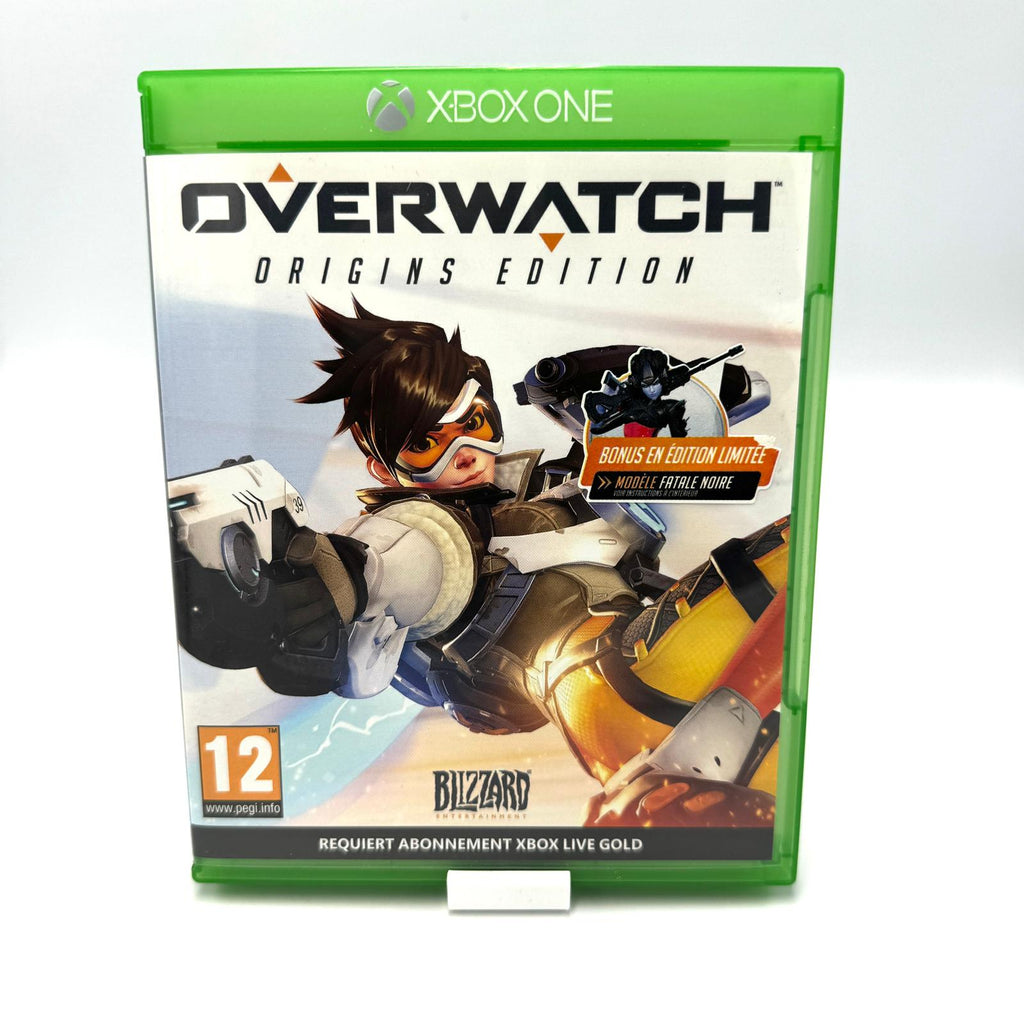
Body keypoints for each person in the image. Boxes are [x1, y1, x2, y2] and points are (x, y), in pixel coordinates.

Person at [176, 296, 790, 826]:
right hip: (624, 677)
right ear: (384, 468)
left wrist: (649, 401)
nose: (465, 452)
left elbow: (732, 406)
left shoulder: (552, 483)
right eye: (428, 444)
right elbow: (396, 562)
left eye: (473, 422)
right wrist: (317, 587)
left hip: (637, 722)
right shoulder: (427, 529)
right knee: (806, 555)